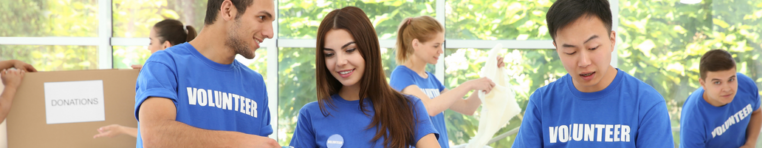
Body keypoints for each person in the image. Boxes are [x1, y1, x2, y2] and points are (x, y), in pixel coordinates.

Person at [511, 0, 674, 147]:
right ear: (557, 48)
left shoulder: (646, 104)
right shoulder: (542, 103)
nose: (584, 62)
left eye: (593, 48)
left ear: (612, 40)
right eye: (570, 51)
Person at [133, 0, 280, 147]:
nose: (270, 33)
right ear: (228, 10)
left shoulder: (256, 83)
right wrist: (241, 142)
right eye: (262, 18)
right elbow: (156, 137)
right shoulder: (164, 65)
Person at [289, 6, 440, 148]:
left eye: (350, 50)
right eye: (329, 54)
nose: (340, 62)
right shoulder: (310, 115)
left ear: (369, 48)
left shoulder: (408, 107)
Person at [389, 15, 502, 148]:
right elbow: (429, 108)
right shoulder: (401, 75)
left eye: (441, 45)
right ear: (416, 44)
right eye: (435, 46)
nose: (440, 51)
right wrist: (469, 84)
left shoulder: (431, 79)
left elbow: (468, 107)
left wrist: (489, 76)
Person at [94, 18, 197, 138]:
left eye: (151, 42)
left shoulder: (158, 82)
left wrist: (152, 73)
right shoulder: (193, 76)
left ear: (165, 46)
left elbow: (157, 134)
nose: (148, 48)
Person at [679, 49, 762, 148]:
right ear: (703, 84)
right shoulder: (693, 117)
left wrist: (750, 144)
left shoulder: (746, 85)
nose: (727, 89)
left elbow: (756, 113)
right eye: (717, 82)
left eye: (731, 79)